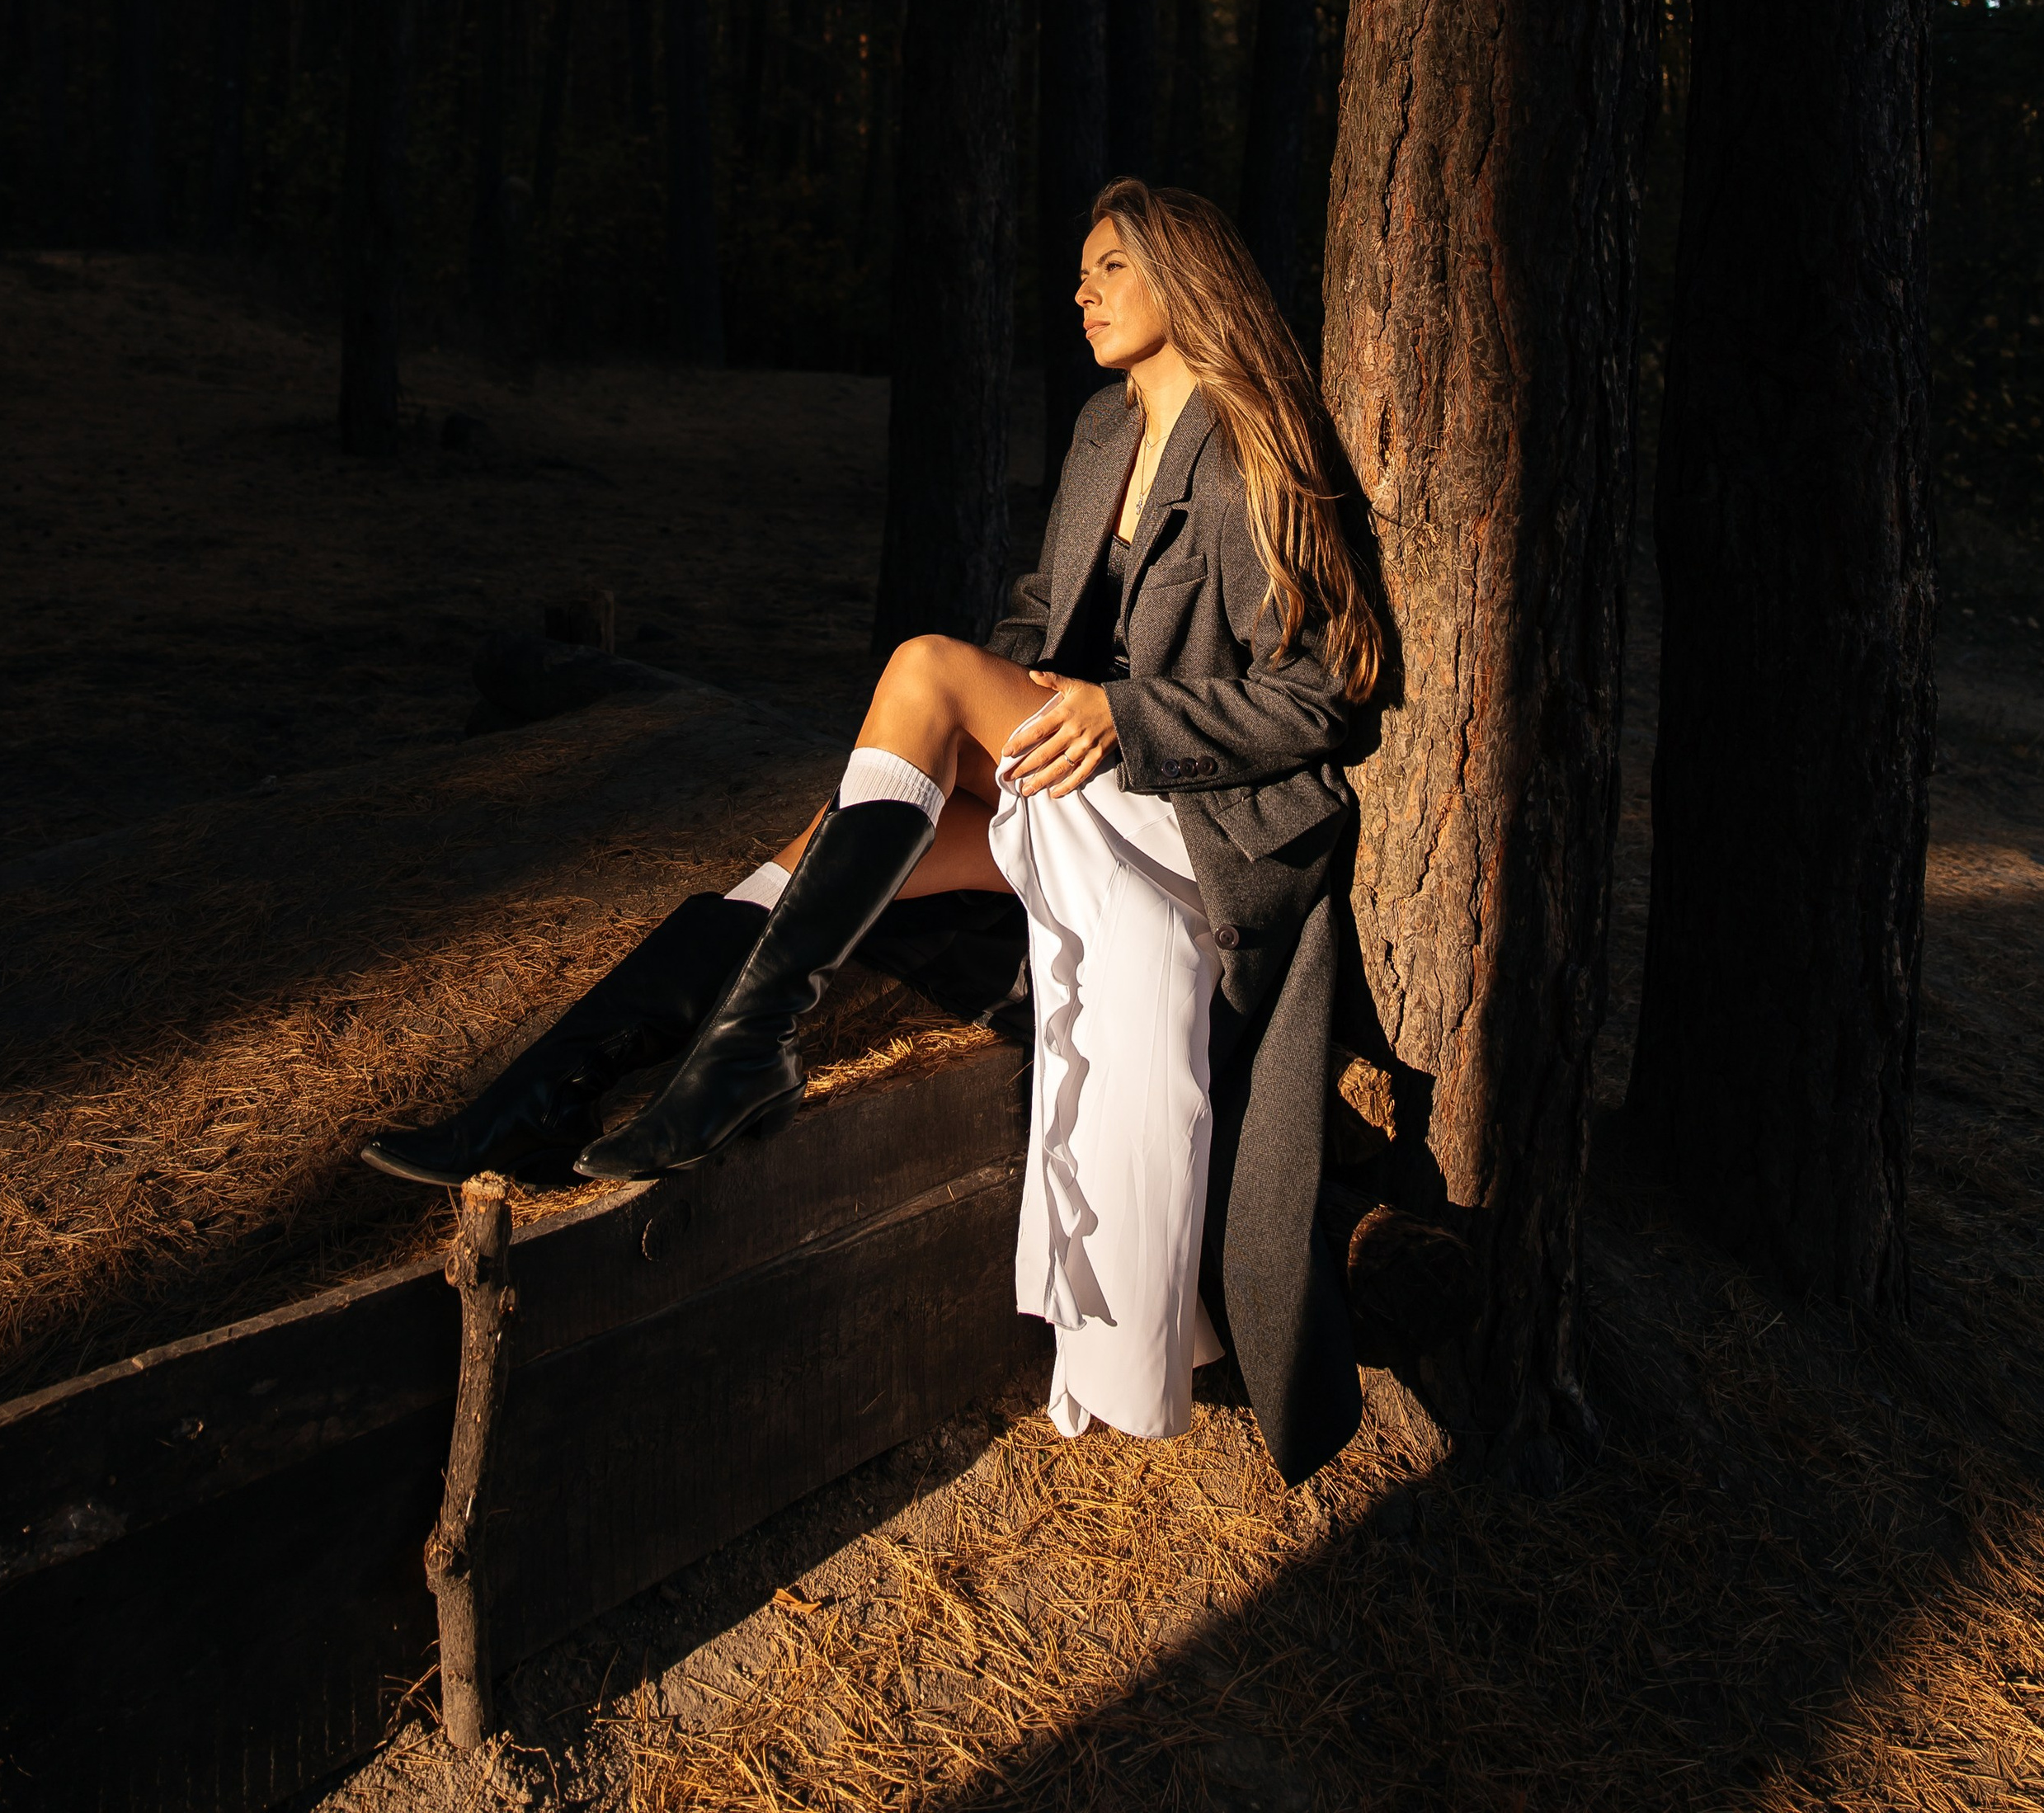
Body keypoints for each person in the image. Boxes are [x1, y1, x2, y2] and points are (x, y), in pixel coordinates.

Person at [367, 177, 1383, 1485]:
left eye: (1108, 267)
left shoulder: (1251, 447)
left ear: (1185, 280)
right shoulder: (1099, 431)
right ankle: (535, 1096)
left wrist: (1123, 714)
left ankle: (747, 1056)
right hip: (1088, 769)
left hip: (1202, 816)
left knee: (918, 668)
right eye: (1079, 269)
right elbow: (1041, 613)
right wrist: (997, 704)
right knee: (828, 834)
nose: (1079, 290)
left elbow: (1332, 692)